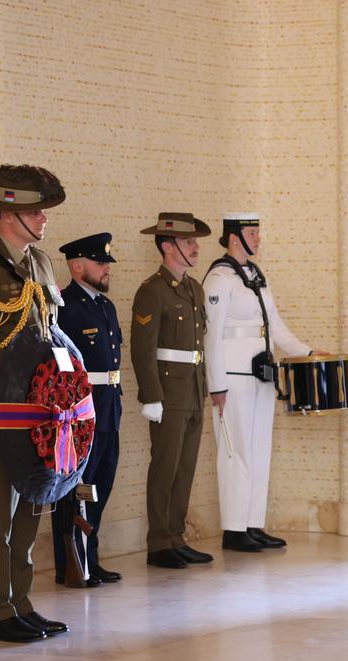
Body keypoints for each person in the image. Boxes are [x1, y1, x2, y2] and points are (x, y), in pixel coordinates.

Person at [0, 164, 70, 642]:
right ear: (7, 214)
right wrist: (16, 372)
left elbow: (50, 333)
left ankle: (20, 600)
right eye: (34, 211)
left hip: (39, 408)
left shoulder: (40, 264)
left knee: (31, 504)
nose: (43, 219)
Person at [204, 214, 314, 553]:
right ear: (234, 237)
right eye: (252, 233)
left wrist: (307, 351)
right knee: (235, 452)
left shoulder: (254, 276)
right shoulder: (219, 279)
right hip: (233, 380)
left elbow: (275, 326)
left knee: (259, 451)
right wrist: (216, 385)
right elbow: (210, 335)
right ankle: (233, 528)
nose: (258, 238)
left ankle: (252, 522)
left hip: (262, 376)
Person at [131, 212, 212, 570]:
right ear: (168, 246)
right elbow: (142, 348)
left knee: (186, 467)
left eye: (195, 241)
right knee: (165, 466)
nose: (196, 248)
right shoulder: (152, 290)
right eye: (189, 241)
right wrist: (151, 396)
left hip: (194, 388)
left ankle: (176, 535)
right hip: (169, 392)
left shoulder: (194, 288)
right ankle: (159, 542)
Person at [52, 233, 123, 587]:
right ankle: (73, 564)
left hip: (109, 407)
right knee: (77, 489)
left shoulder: (105, 306)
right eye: (100, 262)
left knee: (102, 485)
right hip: (81, 413)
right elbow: (63, 367)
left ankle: (90, 558)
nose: (107, 268)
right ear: (77, 266)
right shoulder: (65, 306)